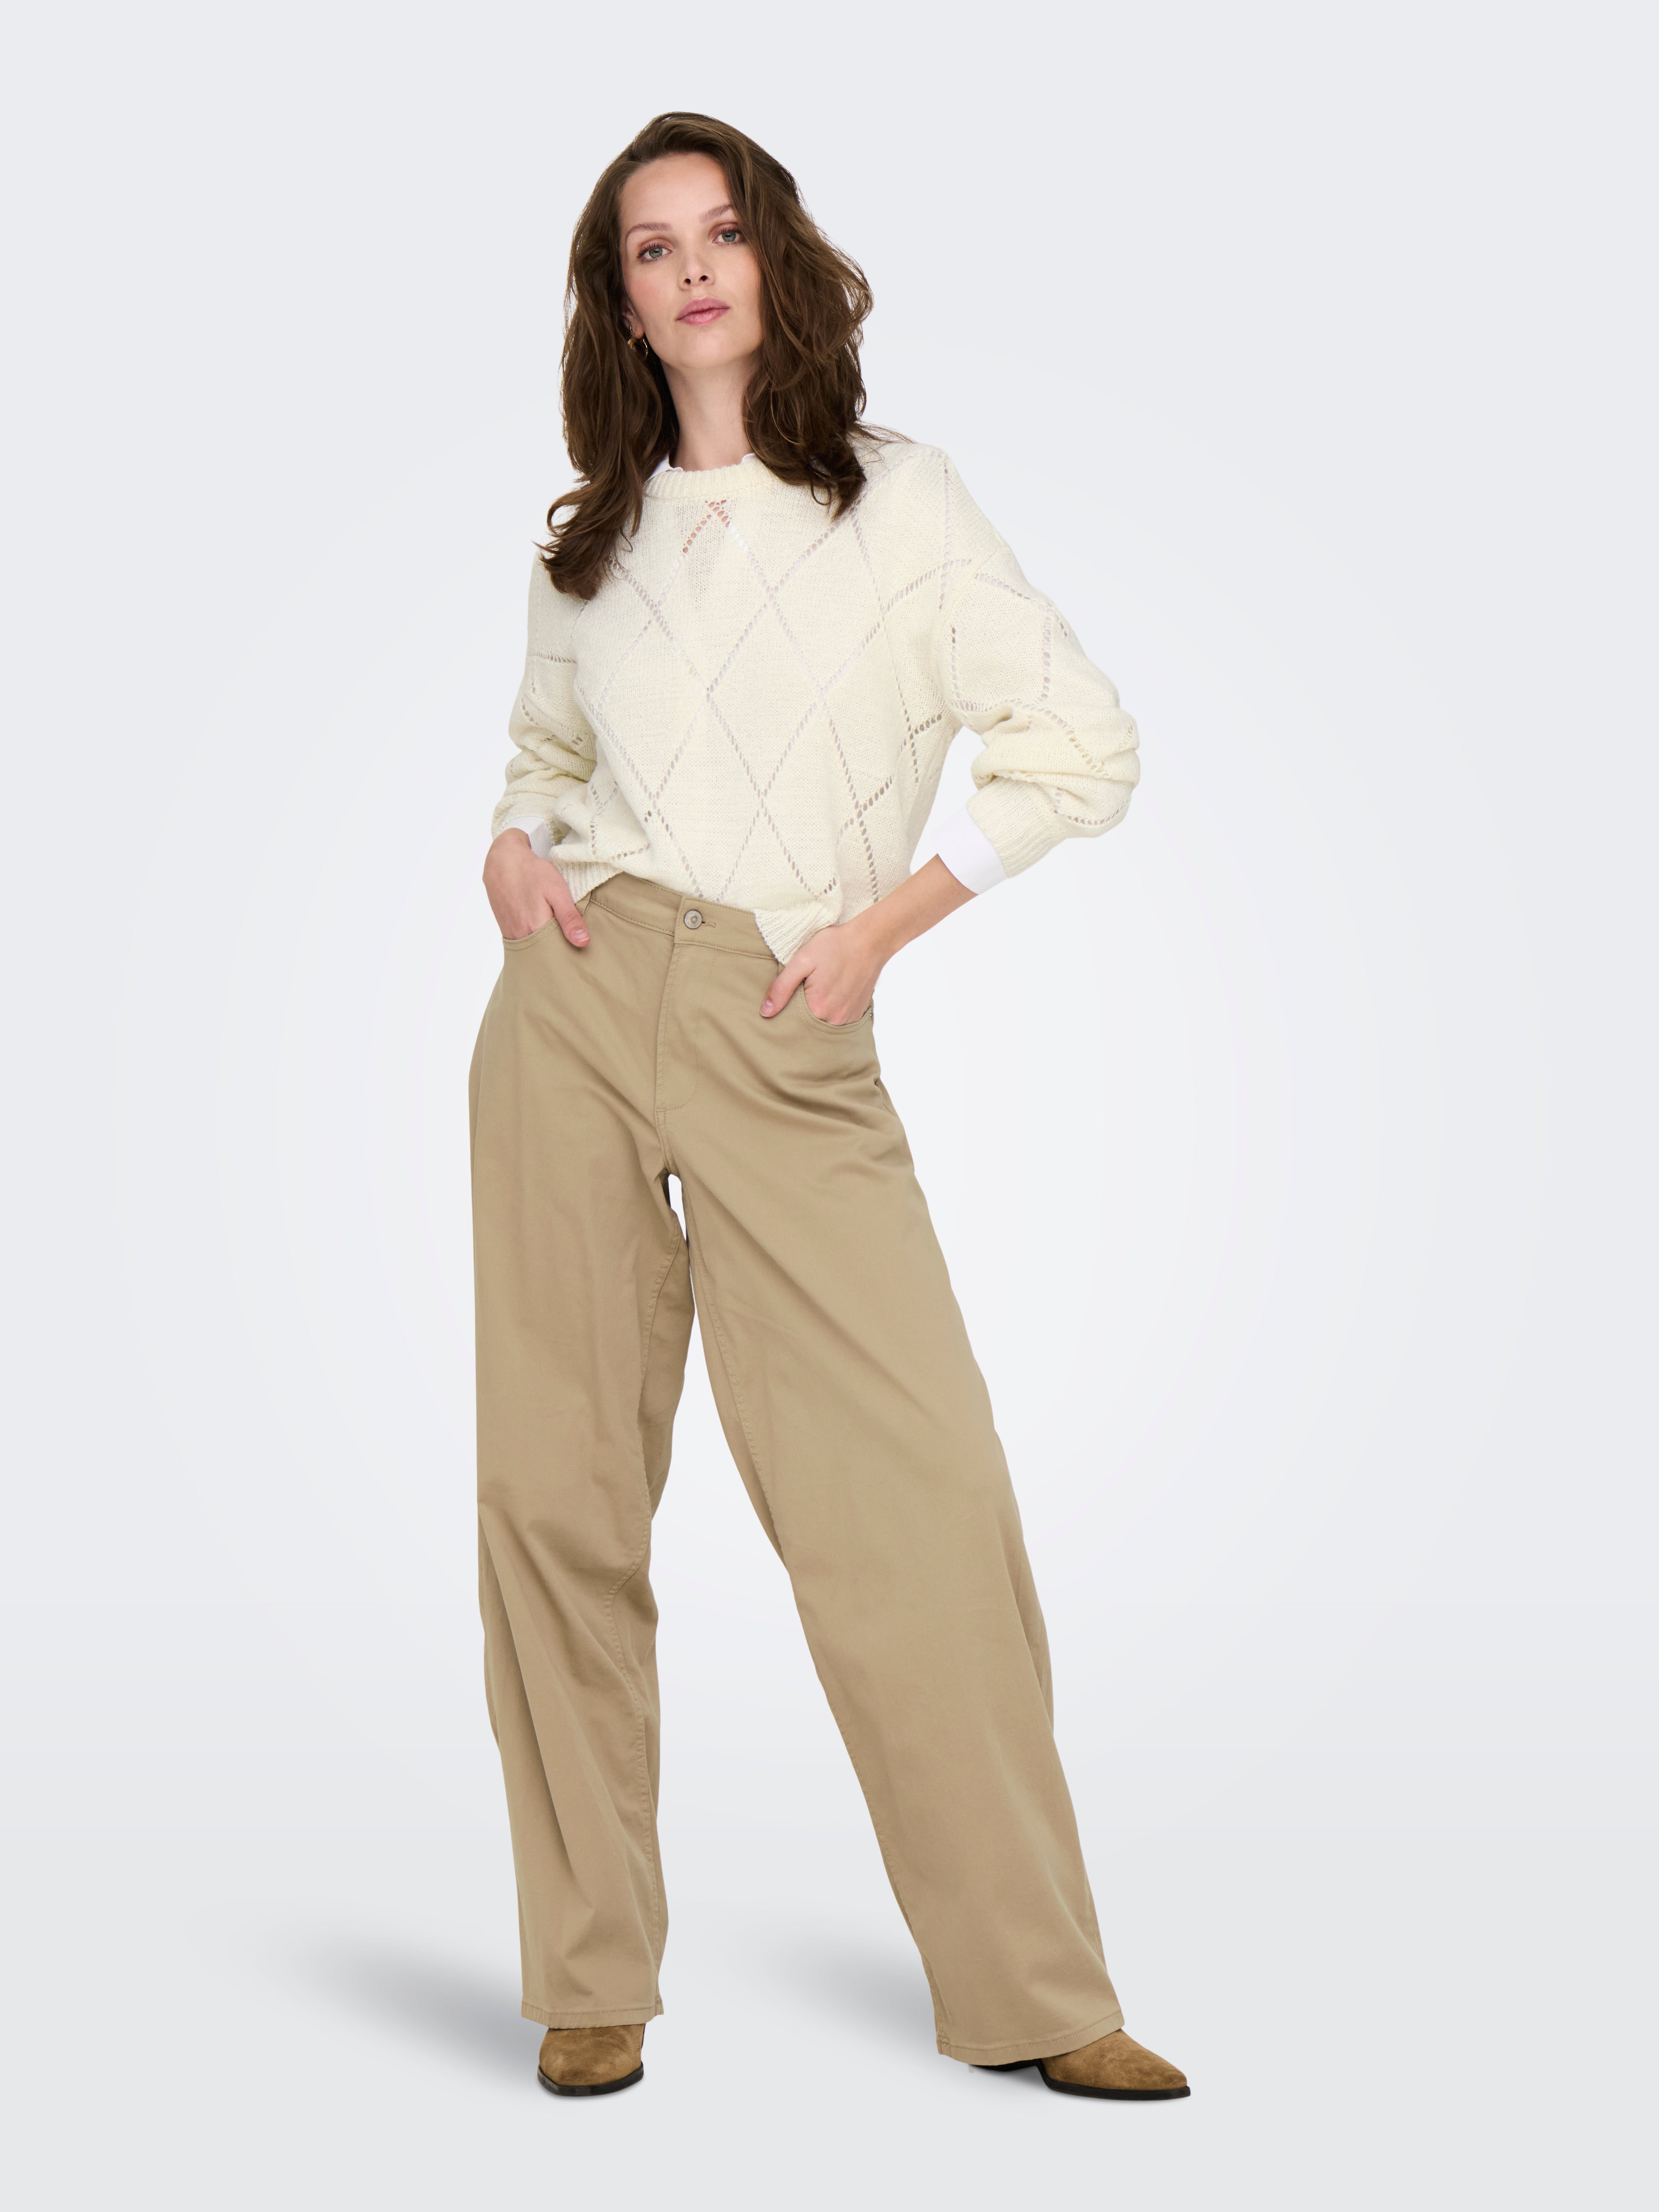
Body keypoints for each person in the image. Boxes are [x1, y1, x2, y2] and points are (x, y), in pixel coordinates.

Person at [471, 110, 1188, 2105]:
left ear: (778, 263)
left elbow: (1082, 748)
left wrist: (886, 928)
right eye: (650, 248)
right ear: (619, 302)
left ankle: (1036, 1988)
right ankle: (589, 1974)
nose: (691, 269)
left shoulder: (900, 502)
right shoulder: (585, 542)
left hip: (792, 1016)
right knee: (555, 1498)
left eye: (721, 233)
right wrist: (514, 845)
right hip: (576, 998)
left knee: (917, 1505)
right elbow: (542, 753)